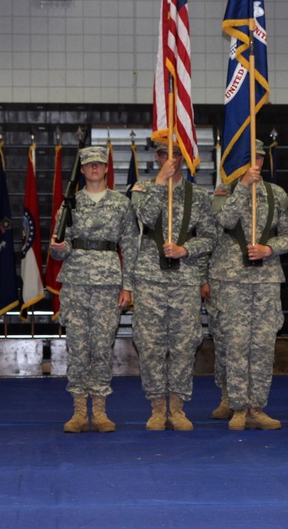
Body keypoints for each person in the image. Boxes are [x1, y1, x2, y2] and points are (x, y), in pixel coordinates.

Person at [209, 140, 288, 430]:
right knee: (235, 344)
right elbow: (223, 220)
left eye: (259, 158)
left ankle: (257, 407)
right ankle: (236, 407)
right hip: (231, 279)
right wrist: (243, 187)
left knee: (261, 346)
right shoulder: (224, 192)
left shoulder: (276, 194)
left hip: (266, 280)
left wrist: (270, 249)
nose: (255, 163)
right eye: (249, 159)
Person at [49, 146, 139, 433]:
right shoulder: (70, 204)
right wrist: (58, 249)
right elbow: (58, 250)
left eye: (100, 164)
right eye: (89, 165)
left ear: (106, 168)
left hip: (108, 284)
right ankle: (78, 412)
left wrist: (128, 286)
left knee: (102, 346)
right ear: (84, 170)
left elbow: (131, 245)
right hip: (75, 282)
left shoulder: (120, 203)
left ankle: (99, 411)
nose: (95, 168)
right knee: (77, 347)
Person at [129, 143, 217, 431]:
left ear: (184, 158)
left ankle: (177, 408)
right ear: (158, 158)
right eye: (166, 154)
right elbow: (145, 218)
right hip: (150, 279)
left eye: (177, 155)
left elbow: (210, 238)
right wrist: (159, 183)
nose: (172, 160)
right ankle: (157, 408)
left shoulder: (198, 197)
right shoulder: (142, 190)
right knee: (151, 345)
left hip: (184, 279)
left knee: (183, 345)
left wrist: (186, 249)